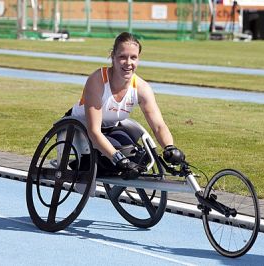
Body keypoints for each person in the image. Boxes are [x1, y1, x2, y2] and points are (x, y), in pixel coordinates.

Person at [69, 32, 185, 179]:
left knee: (140, 156)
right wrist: (119, 159)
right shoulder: (97, 80)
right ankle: (83, 164)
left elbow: (158, 126)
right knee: (121, 157)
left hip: (110, 128)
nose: (128, 63)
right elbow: (94, 132)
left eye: (133, 57)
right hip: (81, 129)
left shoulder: (142, 88)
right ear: (113, 57)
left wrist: (170, 147)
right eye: (122, 57)